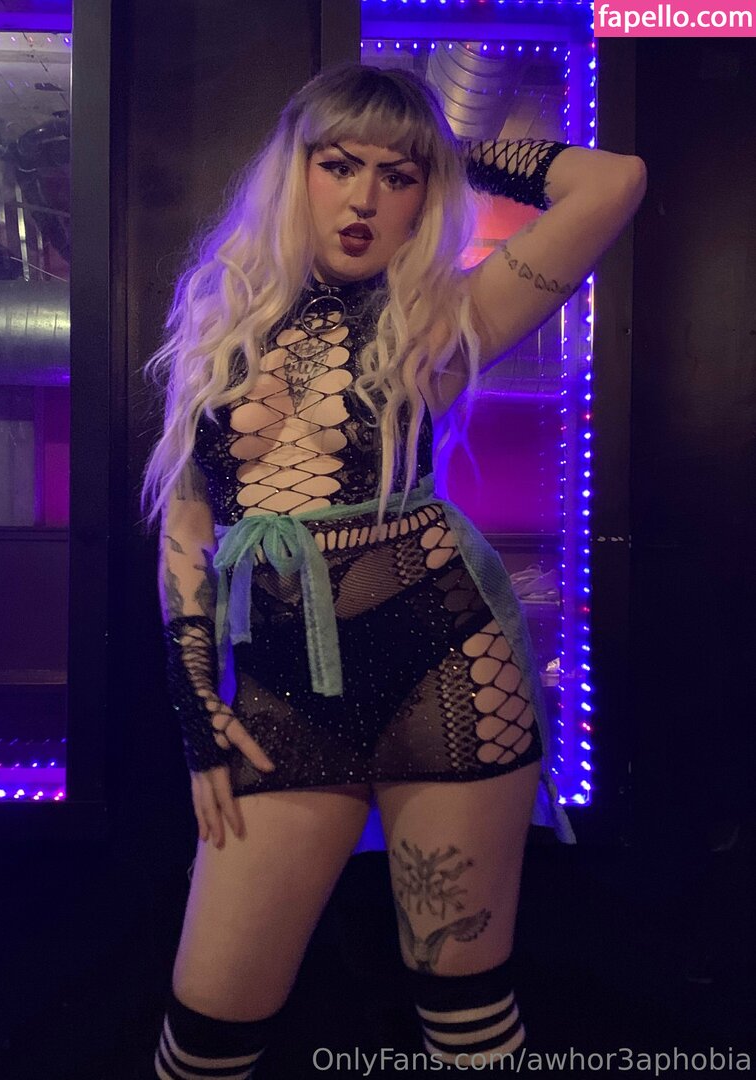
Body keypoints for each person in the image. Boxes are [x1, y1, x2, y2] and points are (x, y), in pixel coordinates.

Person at [140, 63, 646, 1078]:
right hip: (283, 694)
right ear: (294, 172)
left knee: (466, 1022)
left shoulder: (442, 318)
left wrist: (451, 155)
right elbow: (187, 527)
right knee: (205, 1036)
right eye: (339, 165)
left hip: (446, 672)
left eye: (397, 175)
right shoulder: (218, 322)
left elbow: (613, 181)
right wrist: (198, 705)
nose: (365, 197)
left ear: (425, 194)